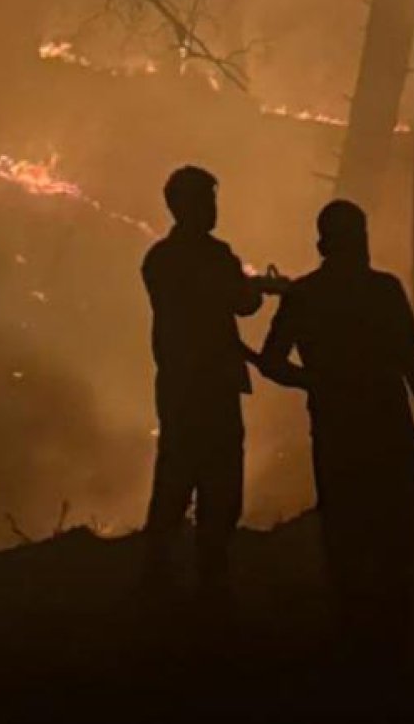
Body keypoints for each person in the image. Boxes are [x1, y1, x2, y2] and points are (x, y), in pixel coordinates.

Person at [258, 199, 414, 672]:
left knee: (349, 545)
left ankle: (360, 650)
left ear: (321, 245)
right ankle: (387, 652)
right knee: (393, 547)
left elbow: (271, 362)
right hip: (390, 435)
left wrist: (313, 381)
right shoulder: (383, 291)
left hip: (341, 438)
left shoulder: (306, 296)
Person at [141, 165, 269, 597]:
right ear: (188, 206)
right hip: (211, 386)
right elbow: (240, 303)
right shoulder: (215, 257)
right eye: (207, 201)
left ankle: (159, 577)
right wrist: (258, 291)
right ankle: (209, 580)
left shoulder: (158, 259)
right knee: (219, 483)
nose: (213, 209)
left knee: (175, 478)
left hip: (178, 387)